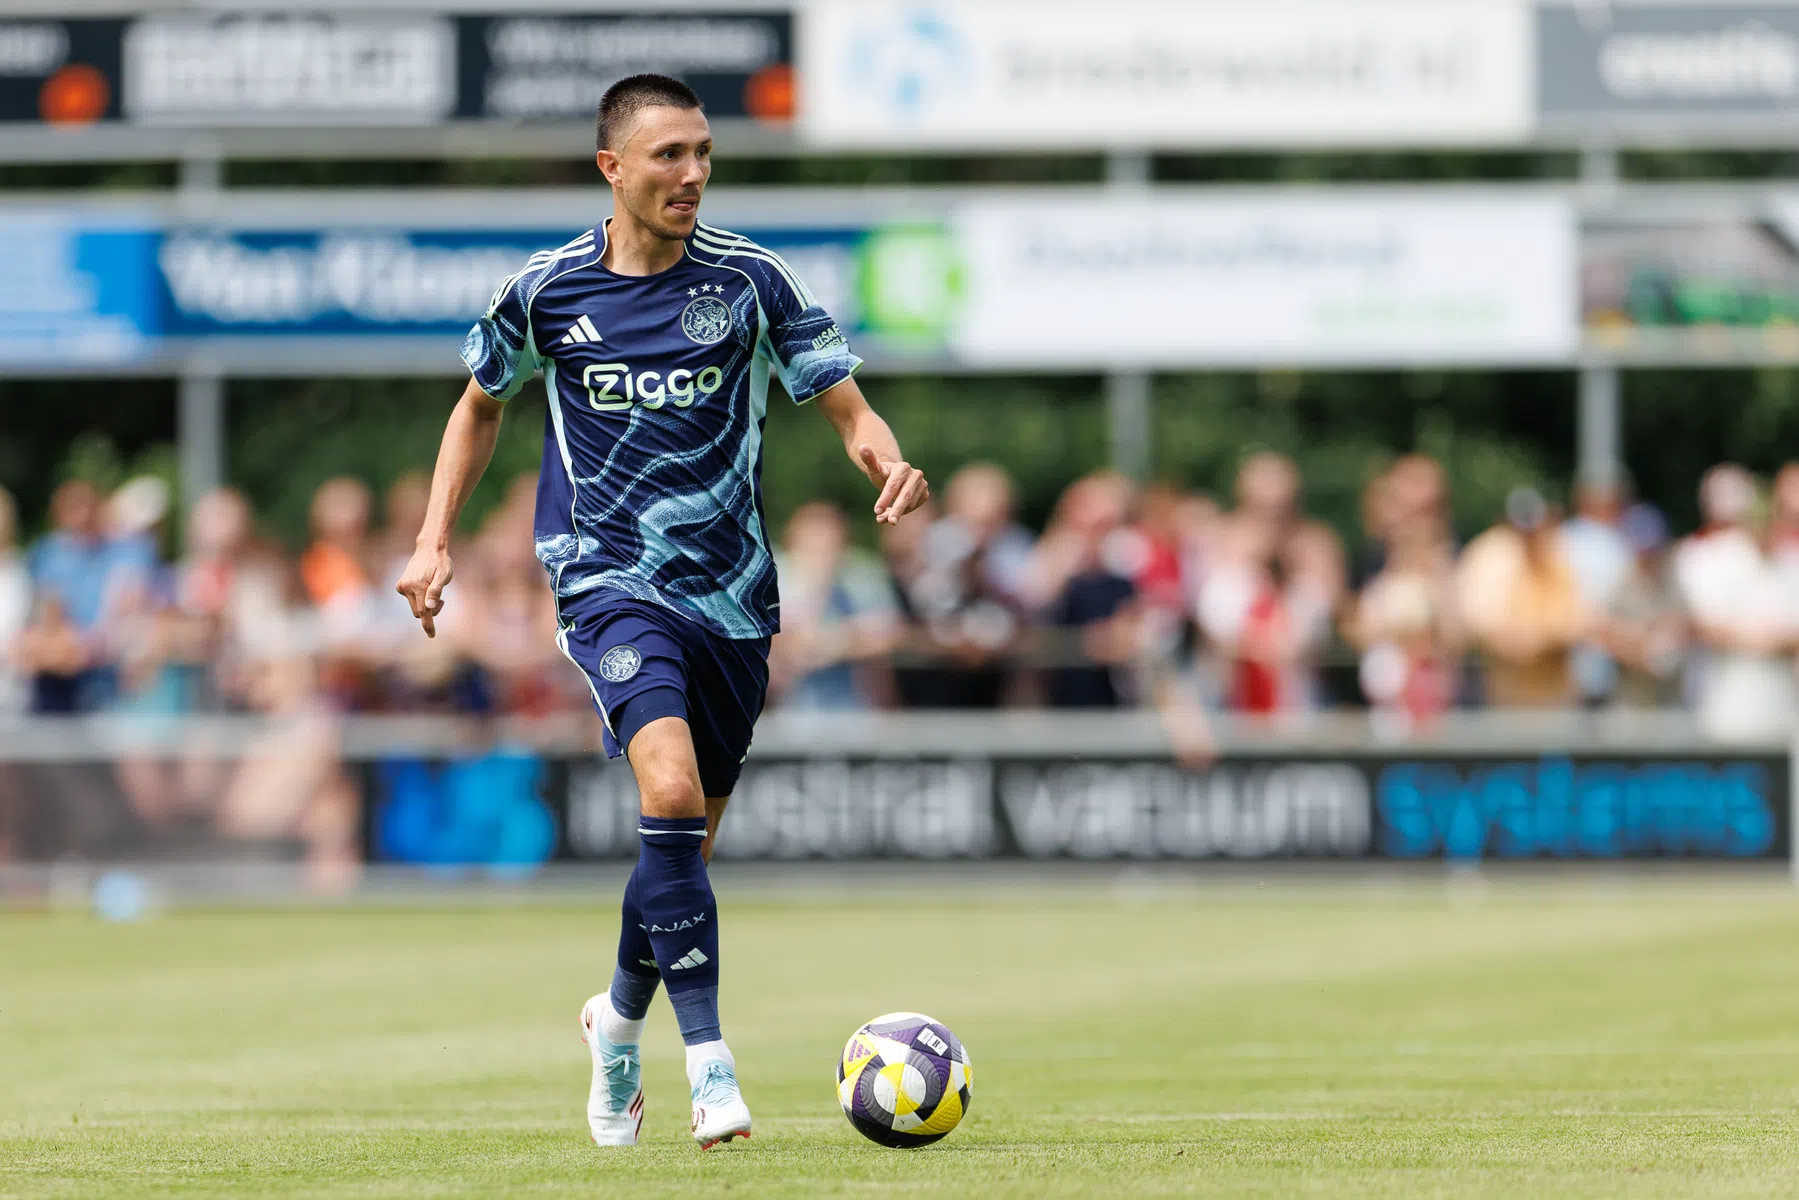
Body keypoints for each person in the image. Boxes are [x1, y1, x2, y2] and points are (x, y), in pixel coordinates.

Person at [394, 75, 930, 1151]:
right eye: (668, 156)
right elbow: (476, 408)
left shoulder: (748, 281)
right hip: (606, 582)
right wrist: (431, 537)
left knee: (677, 845)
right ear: (612, 170)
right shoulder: (543, 293)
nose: (691, 173)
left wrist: (888, 459)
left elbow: (844, 405)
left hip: (732, 599)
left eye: (701, 152)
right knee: (670, 790)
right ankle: (711, 1068)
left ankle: (615, 1023)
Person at [1456, 486, 1587, 707]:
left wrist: (1531, 640)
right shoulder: (1489, 554)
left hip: (1556, 700)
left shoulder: (1562, 552)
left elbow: (1578, 623)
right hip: (1502, 699)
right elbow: (1474, 623)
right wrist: (1529, 640)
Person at [768, 501, 902, 710]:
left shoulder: (864, 572)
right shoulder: (774, 575)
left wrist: (832, 645)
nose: (822, 544)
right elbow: (777, 639)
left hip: (858, 704)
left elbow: (886, 635)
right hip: (791, 705)